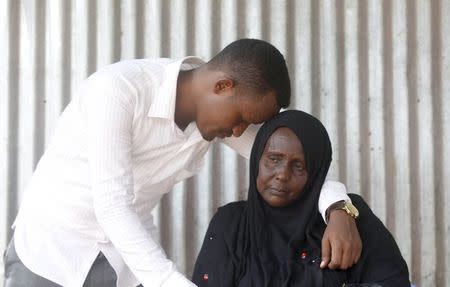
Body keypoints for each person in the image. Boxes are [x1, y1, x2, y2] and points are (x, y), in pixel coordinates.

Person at [4, 39, 359, 287]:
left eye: (246, 126)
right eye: (240, 119)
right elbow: (111, 206)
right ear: (222, 86)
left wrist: (339, 208)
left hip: (123, 262)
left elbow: (298, 159)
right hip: (50, 252)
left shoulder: (220, 114)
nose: (239, 131)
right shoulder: (117, 92)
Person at [192, 110, 410, 287]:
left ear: (316, 174)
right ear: (257, 159)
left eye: (299, 166)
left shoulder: (349, 217)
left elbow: (393, 282)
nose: (282, 174)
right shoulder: (232, 223)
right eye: (273, 159)